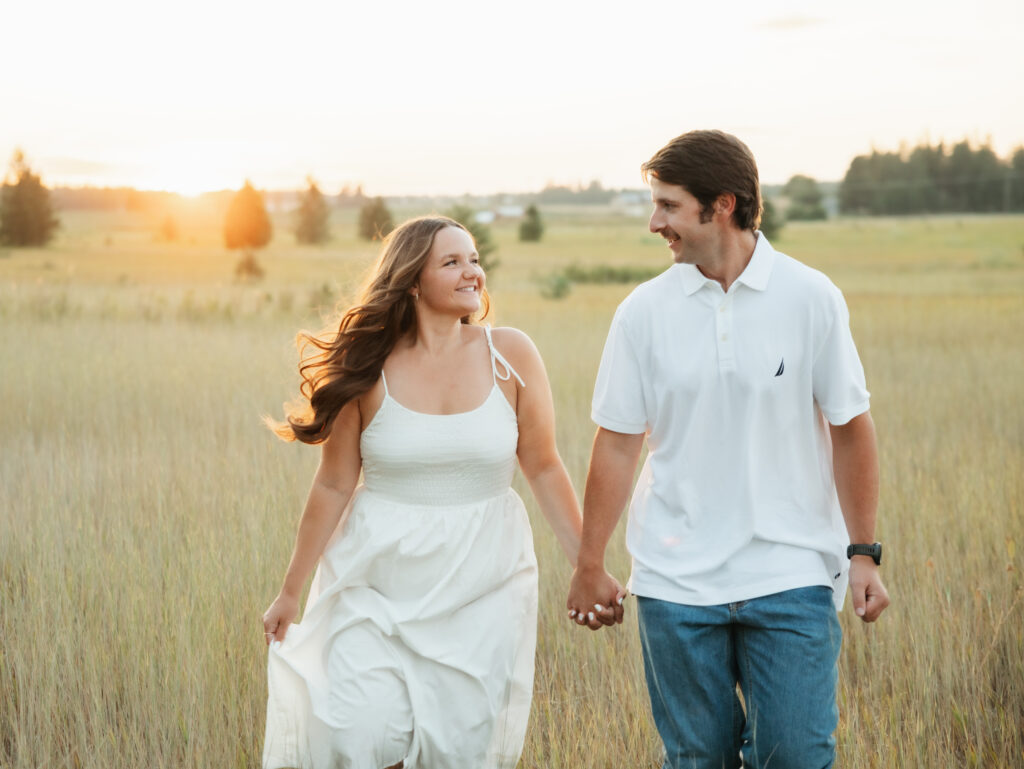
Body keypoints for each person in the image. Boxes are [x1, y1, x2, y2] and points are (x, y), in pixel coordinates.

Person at [566, 130, 890, 768]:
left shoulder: (810, 297)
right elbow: (617, 446)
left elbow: (851, 427)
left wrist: (863, 553)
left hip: (791, 573)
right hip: (675, 582)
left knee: (796, 756)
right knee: (697, 761)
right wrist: (588, 562)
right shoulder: (642, 313)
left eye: (668, 206)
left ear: (722, 205)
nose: (654, 222)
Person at [261, 216, 612, 769]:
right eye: (451, 262)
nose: (472, 272)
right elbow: (333, 483)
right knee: (362, 735)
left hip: (482, 587)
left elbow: (543, 467)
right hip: (374, 585)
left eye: (473, 259)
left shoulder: (511, 355)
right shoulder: (368, 369)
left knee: (457, 752)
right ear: (412, 282)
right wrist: (290, 591)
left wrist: (586, 566)